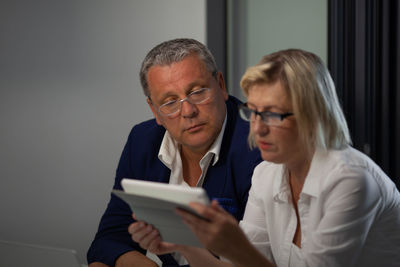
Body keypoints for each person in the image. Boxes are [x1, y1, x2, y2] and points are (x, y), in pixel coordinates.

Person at [129, 49, 400, 267]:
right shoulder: (267, 173)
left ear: (313, 114)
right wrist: (183, 243)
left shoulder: (351, 180)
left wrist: (234, 245)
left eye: (272, 114)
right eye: (254, 112)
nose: (258, 128)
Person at [87, 38, 262, 267]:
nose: (188, 111)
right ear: (154, 111)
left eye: (198, 92)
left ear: (221, 85)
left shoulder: (259, 143)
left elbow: (253, 259)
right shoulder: (142, 141)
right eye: (170, 102)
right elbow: (110, 237)